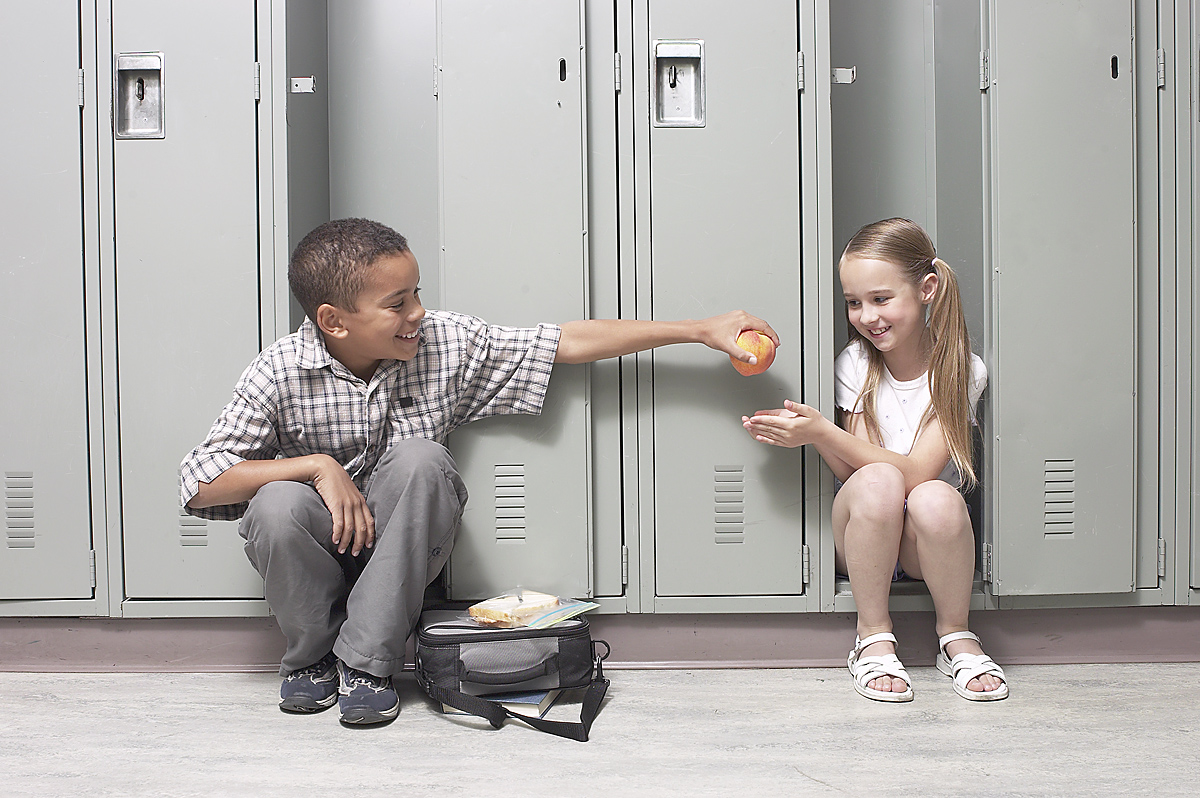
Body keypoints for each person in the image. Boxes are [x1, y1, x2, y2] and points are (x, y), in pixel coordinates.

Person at [180, 217, 777, 726]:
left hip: (403, 546)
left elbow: (563, 342)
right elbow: (200, 482)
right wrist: (316, 467)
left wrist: (699, 331)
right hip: (320, 542)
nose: (417, 312)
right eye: (397, 304)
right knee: (277, 500)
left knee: (421, 457)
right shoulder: (280, 369)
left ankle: (366, 664)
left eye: (416, 293)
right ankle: (311, 657)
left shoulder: (446, 343)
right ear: (335, 321)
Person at [741, 218, 1007, 703]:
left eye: (881, 299)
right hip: (864, 535)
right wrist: (820, 438)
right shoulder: (856, 364)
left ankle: (956, 635)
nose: (867, 316)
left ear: (927, 289)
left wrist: (822, 429)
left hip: (923, 546)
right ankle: (874, 635)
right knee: (880, 479)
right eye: (854, 302)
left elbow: (920, 472)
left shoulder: (961, 369)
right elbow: (855, 473)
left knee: (935, 495)